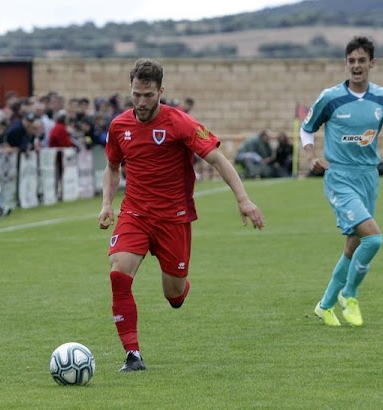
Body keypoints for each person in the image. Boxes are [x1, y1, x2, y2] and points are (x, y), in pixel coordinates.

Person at [98, 58, 264, 372]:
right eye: (136, 95)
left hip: (173, 218)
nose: (142, 102)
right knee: (118, 273)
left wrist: (243, 200)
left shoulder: (181, 123)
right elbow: (112, 166)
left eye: (148, 95)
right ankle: (132, 355)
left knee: (173, 295)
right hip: (134, 212)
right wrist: (107, 204)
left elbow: (217, 159)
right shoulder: (120, 126)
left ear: (161, 91)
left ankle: (181, 287)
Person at [301, 36, 383, 327]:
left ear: (372, 63)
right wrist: (311, 156)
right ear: (346, 64)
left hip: (368, 178)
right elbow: (307, 128)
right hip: (340, 176)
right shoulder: (331, 97)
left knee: (353, 244)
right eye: (352, 61)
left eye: (362, 60)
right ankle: (349, 294)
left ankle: (324, 306)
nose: (357, 66)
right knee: (373, 238)